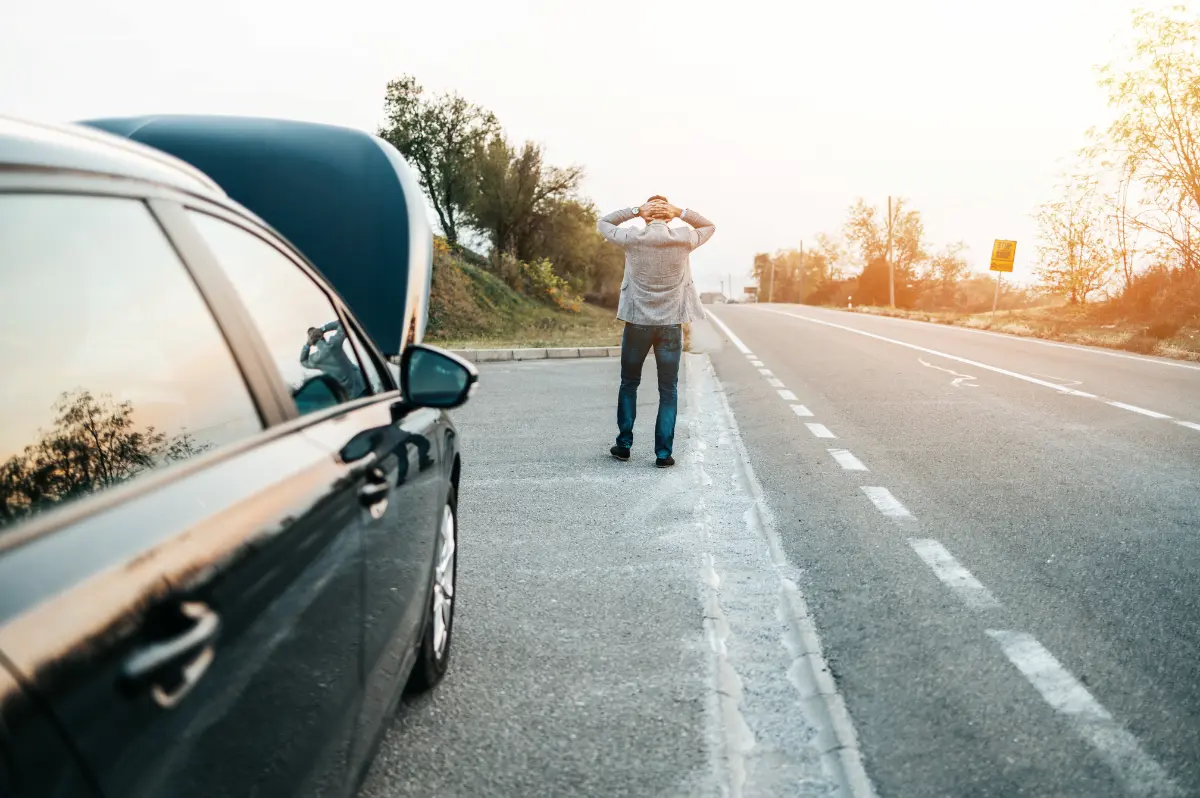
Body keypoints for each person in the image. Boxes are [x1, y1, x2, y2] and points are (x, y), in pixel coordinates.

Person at [598, 196, 715, 468]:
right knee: (668, 390)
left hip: (636, 323)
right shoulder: (684, 238)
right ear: (669, 217)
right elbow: (709, 226)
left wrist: (635, 210)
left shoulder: (631, 237)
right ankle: (663, 454)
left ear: (645, 217)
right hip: (670, 326)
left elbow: (603, 223)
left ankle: (624, 445)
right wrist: (681, 211)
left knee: (629, 384)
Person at [301, 320, 366, 400]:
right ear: (322, 335)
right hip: (362, 387)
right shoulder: (334, 344)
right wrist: (323, 329)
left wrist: (307, 345)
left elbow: (303, 360)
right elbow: (342, 323)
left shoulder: (316, 359)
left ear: (313, 343)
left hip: (347, 398)